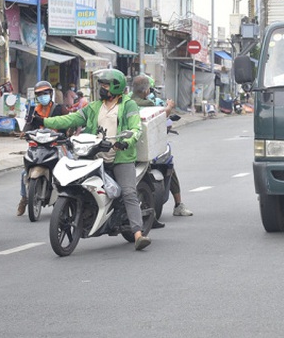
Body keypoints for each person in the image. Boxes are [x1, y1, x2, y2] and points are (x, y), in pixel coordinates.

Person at [38, 69, 151, 250]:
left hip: (121, 157)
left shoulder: (129, 105)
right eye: (101, 85)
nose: (102, 88)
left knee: (129, 192)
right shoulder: (94, 106)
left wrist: (125, 141)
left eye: (105, 85)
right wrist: (44, 122)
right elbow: (72, 119)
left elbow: (135, 128)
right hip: (95, 155)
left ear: (116, 86)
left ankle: (138, 234)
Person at [131, 75, 193, 222]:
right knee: (169, 165)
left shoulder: (126, 102)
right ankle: (178, 204)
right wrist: (169, 108)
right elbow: (159, 119)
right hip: (146, 145)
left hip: (129, 146)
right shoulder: (148, 104)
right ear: (147, 90)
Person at [16, 80, 68, 216]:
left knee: (67, 171)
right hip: (37, 146)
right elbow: (28, 125)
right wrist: (24, 133)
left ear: (51, 94)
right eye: (39, 94)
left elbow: (69, 124)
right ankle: (24, 198)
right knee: (24, 174)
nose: (42, 96)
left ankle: (67, 200)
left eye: (45, 93)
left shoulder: (60, 109)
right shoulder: (33, 110)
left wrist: (68, 134)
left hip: (56, 145)